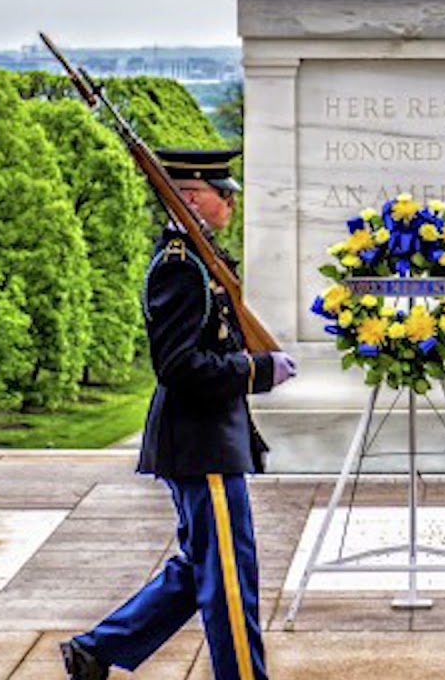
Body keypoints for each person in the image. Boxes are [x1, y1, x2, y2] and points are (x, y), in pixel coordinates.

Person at [60, 148, 297, 680]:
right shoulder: (180, 267)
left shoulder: (198, 260)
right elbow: (177, 365)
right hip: (201, 443)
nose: (231, 201)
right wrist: (256, 369)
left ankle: (95, 651)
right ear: (190, 198)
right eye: (222, 192)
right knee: (229, 576)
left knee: (201, 567)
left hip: (208, 438)